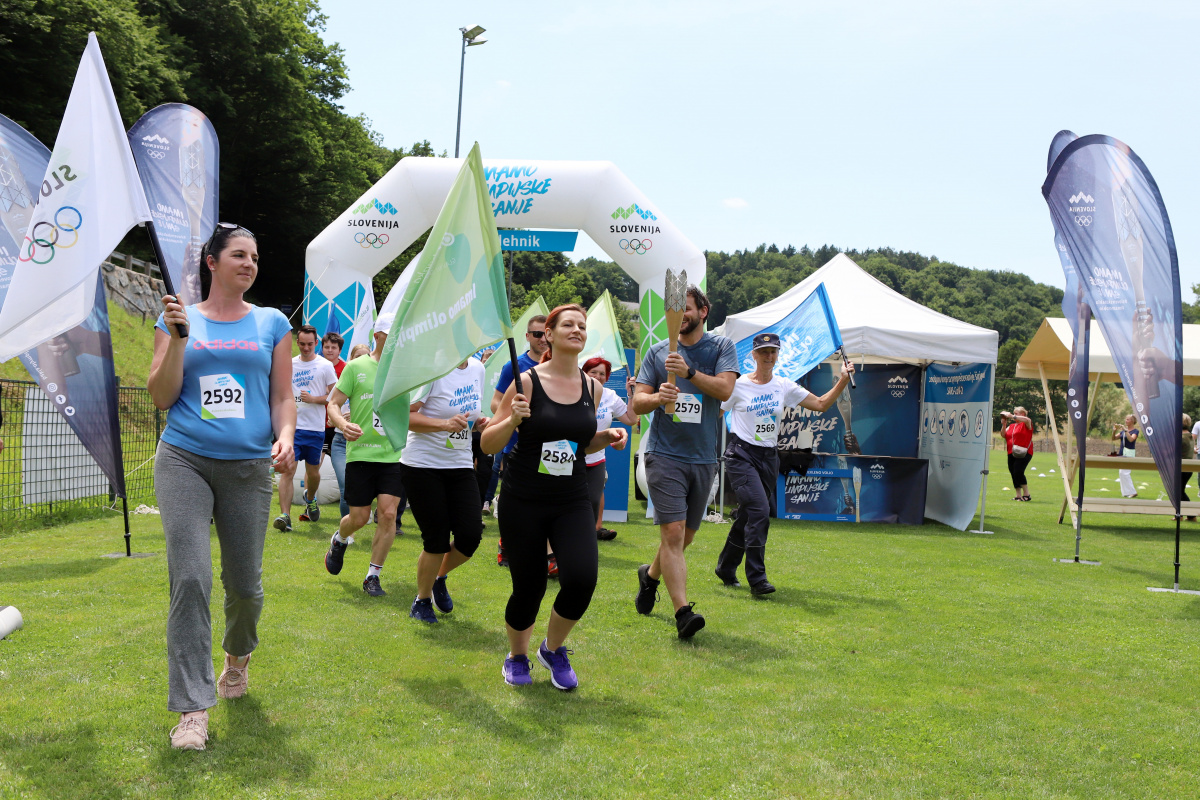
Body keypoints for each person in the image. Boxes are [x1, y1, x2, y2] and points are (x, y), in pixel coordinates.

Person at [147, 223, 295, 751]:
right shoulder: (177, 318)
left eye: (254, 256)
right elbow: (162, 396)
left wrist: (285, 437)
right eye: (238, 254)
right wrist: (178, 339)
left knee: (245, 587)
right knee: (190, 578)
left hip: (248, 466)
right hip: (184, 459)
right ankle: (192, 710)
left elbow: (282, 396)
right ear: (211, 262)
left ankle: (237, 656)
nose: (249, 263)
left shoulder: (272, 323)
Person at [482, 304, 627, 690]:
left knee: (581, 579)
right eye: (568, 324)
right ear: (549, 333)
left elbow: (580, 444)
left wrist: (606, 436)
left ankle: (552, 649)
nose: (577, 330)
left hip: (571, 499)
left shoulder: (594, 388)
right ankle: (517, 656)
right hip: (523, 499)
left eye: (582, 326)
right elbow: (487, 443)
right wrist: (512, 420)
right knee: (529, 587)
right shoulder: (527, 382)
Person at [631, 285, 738, 638]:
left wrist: (689, 372)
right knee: (673, 532)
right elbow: (638, 404)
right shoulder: (657, 352)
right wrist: (658, 397)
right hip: (664, 455)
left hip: (703, 458)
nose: (680, 314)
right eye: (675, 308)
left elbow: (725, 390)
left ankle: (650, 577)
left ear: (703, 311)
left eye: (687, 308)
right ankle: (682, 613)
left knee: (685, 536)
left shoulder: (721, 347)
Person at [715, 333, 855, 594]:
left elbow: (821, 405)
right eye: (763, 352)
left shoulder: (783, 385)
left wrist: (843, 380)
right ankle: (757, 579)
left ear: (778, 355)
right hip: (741, 455)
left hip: (769, 457)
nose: (769, 356)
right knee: (759, 511)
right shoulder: (738, 385)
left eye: (773, 352)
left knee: (747, 515)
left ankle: (725, 568)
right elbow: (716, 412)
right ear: (753, 355)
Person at [402, 356, 489, 623]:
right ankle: (422, 601)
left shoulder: (478, 368)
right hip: (422, 465)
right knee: (436, 540)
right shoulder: (432, 367)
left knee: (470, 535)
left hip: (460, 465)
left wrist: (478, 424)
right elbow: (406, 416)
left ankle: (438, 577)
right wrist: (444, 424)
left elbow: (470, 416)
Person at [323, 314, 404, 597]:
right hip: (360, 454)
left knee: (388, 514)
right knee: (358, 517)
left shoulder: (405, 370)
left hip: (393, 455)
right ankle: (340, 538)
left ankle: (373, 576)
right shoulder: (356, 367)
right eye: (391, 335)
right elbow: (333, 403)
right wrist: (342, 424)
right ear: (378, 336)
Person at [486, 315, 552, 572]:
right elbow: (495, 403)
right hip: (516, 446)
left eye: (545, 333)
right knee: (516, 502)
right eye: (536, 334)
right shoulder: (515, 366)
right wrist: (514, 418)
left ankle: (547, 552)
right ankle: (506, 544)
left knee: (546, 500)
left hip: (550, 448)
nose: (542, 339)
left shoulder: (559, 366)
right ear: (527, 337)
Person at [274, 325, 336, 531]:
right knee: (288, 470)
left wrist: (314, 399)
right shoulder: (290, 364)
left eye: (310, 344)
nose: (306, 348)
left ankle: (310, 498)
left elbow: (334, 397)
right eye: (302, 344)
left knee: (313, 472)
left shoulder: (325, 366)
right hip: (292, 428)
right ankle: (285, 516)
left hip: (315, 429)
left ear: (316, 343)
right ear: (297, 343)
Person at [581, 357, 638, 540]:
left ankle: (589, 536)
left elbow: (631, 419)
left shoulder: (610, 395)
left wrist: (631, 395)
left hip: (596, 458)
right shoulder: (573, 391)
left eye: (602, 374)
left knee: (593, 499)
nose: (598, 377)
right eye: (593, 372)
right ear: (584, 373)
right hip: (572, 455)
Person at [321, 332, 349, 520]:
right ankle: (310, 502)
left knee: (349, 477)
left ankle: (359, 508)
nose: (330, 350)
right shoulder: (317, 365)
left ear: (340, 350)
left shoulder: (346, 369)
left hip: (341, 428)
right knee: (315, 465)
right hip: (321, 425)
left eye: (333, 347)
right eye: (327, 347)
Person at [1000, 407, 1034, 501]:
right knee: (1013, 472)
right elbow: (1003, 435)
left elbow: (1027, 420)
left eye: (1016, 413)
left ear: (1022, 414)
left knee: (1018, 471)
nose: (1014, 415)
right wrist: (1004, 424)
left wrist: (1011, 416)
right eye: (1014, 413)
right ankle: (1018, 495)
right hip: (1011, 452)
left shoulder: (1026, 423)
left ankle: (1026, 494)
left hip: (1024, 452)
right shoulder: (1011, 426)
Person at [1112, 413, 1139, 499]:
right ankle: (1126, 493)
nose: (1126, 421)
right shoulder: (1123, 431)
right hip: (1122, 453)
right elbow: (1113, 438)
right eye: (1126, 419)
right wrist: (1114, 430)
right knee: (1121, 473)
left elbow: (1131, 439)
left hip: (1129, 453)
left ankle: (1133, 492)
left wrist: (1125, 430)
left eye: (1128, 419)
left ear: (1132, 421)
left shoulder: (1135, 431)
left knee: (1125, 473)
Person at [1182, 413, 1195, 521]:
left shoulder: (1182, 437)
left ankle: (1191, 515)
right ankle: (1181, 515)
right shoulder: (1189, 435)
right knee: (1179, 492)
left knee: (1179, 492)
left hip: (1182, 469)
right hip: (1188, 468)